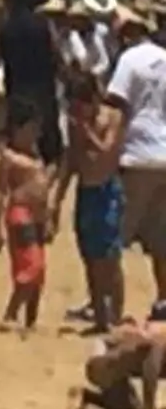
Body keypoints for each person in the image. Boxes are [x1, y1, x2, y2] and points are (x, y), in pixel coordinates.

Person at [51, 72, 127, 330]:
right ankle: (100, 315)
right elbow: (71, 159)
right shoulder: (74, 123)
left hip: (107, 191)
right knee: (89, 255)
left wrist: (87, 132)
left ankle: (115, 314)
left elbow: (107, 151)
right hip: (86, 191)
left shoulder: (112, 117)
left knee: (109, 257)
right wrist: (57, 198)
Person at [107, 10, 166, 320]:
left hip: (136, 154)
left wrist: (109, 154)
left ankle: (107, 301)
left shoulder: (129, 60)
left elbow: (117, 106)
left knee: (114, 235)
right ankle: (164, 300)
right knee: (162, 236)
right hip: (164, 155)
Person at [0, 0, 63, 165]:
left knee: (19, 142)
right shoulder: (43, 24)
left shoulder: (4, 28)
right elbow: (57, 54)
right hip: (44, 88)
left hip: (17, 88)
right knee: (48, 142)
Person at [0, 97, 50, 331]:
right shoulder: (8, 158)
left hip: (37, 216)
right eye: (30, 129)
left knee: (40, 270)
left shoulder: (35, 155)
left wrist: (47, 220)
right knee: (30, 266)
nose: (34, 134)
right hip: (20, 213)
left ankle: (30, 320)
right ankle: (10, 313)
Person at [80, 322, 166, 409]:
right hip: (105, 366)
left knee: (133, 406)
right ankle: (87, 396)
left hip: (104, 355)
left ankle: (90, 397)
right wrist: (149, 407)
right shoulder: (158, 342)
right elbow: (150, 372)